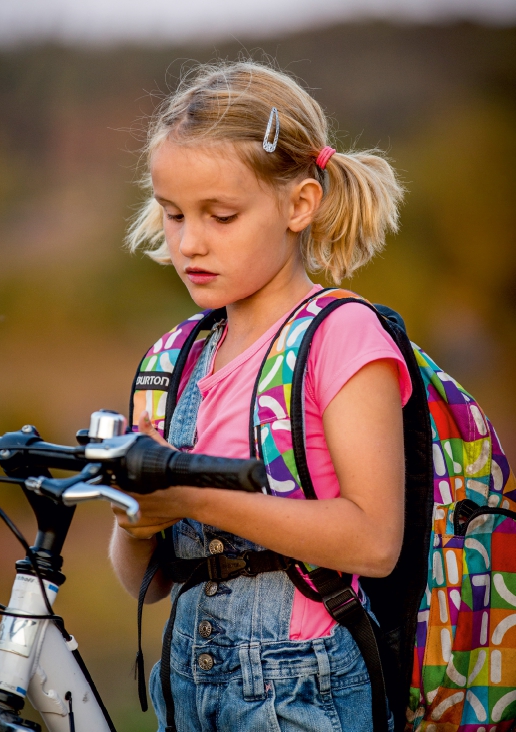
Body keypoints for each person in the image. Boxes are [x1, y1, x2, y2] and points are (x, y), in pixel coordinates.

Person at [109, 61, 411, 732]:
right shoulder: (170, 360)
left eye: (221, 216)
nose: (189, 242)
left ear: (300, 204)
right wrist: (135, 519)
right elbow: (149, 584)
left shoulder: (342, 336)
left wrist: (190, 498)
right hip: (184, 684)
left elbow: (372, 540)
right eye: (173, 214)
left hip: (301, 688)